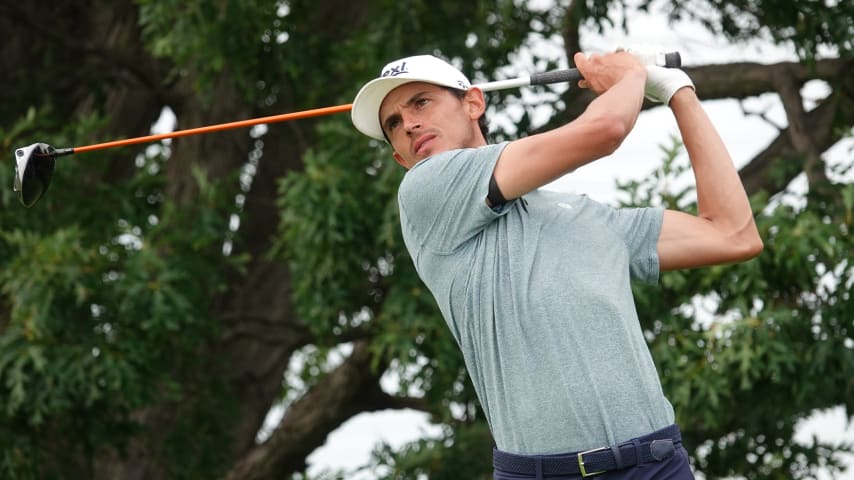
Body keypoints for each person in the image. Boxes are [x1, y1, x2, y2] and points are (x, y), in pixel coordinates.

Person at [350, 50, 763, 479]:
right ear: (399, 157)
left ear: (473, 102)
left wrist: (679, 93)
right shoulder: (424, 191)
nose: (409, 124)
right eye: (393, 124)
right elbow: (605, 129)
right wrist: (631, 77)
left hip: (655, 465)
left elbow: (733, 233)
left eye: (420, 102)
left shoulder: (587, 216)